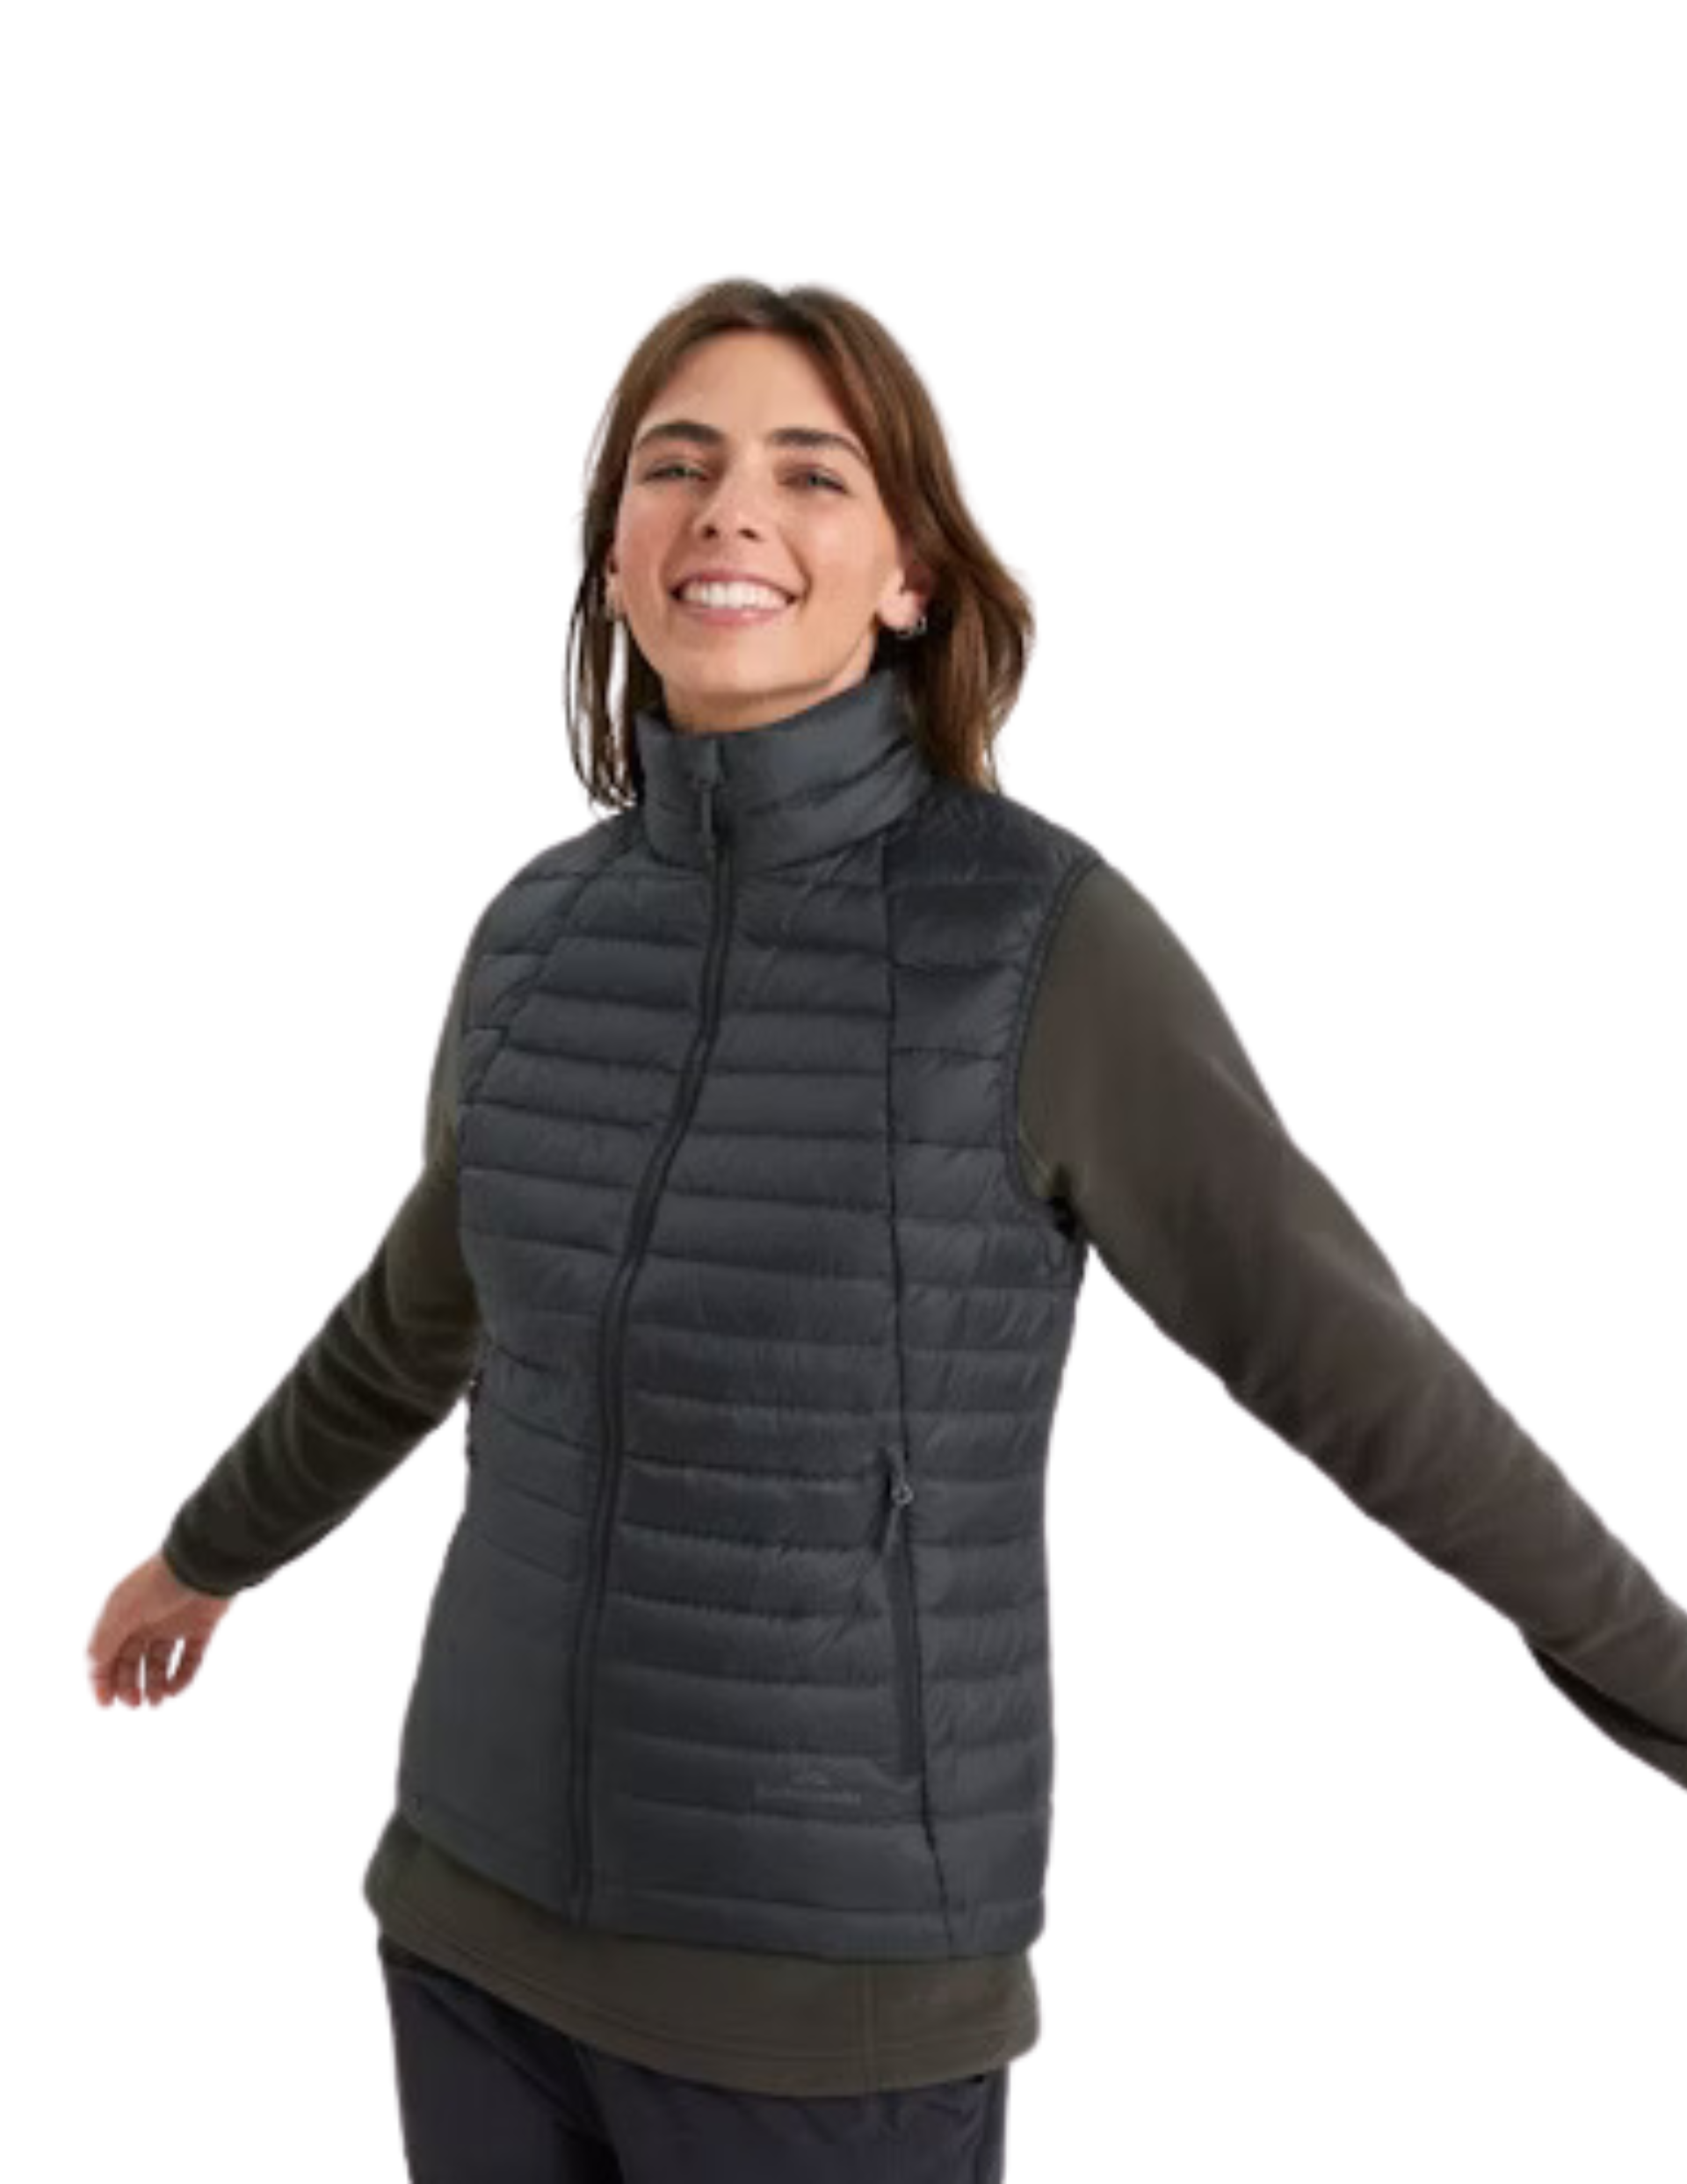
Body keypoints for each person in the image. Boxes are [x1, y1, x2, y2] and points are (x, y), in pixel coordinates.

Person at [87, 278, 1687, 2184]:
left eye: (810, 473)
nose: (730, 511)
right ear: (616, 550)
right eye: (676, 465)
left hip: (823, 2002)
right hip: (469, 1926)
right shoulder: (536, 937)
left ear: (909, 574)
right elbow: (417, 1316)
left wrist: (1663, 1681)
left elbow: (1354, 1364)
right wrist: (208, 1551)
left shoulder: (1033, 946)